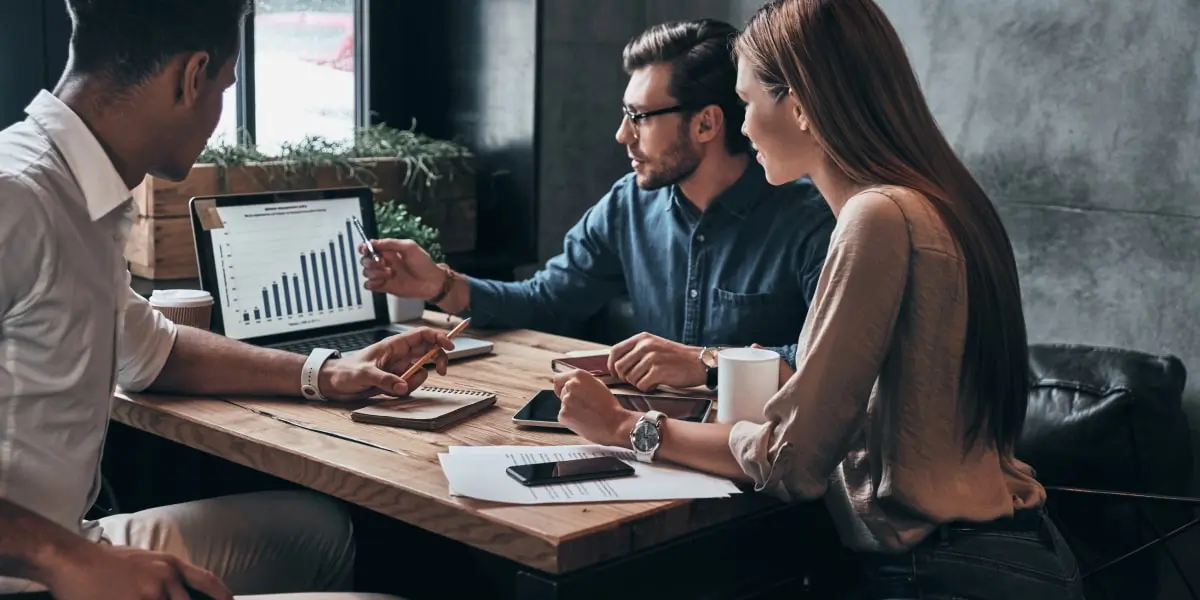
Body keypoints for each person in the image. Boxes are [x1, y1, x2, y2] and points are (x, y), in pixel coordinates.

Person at [550, 1, 1084, 598]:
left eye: (748, 102)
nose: (742, 126)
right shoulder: (940, 202)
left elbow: (791, 461)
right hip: (1007, 557)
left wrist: (624, 426)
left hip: (936, 575)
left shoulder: (876, 217)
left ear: (800, 106)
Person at [0, 1, 447, 599]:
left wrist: (328, 372)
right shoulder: (17, 198)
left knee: (320, 531)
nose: (219, 115)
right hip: (35, 573)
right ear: (191, 76)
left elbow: (152, 352)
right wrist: (64, 562)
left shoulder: (81, 193)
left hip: (69, 545)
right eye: (226, 86)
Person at [361, 19, 834, 392]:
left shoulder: (811, 222)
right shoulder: (628, 205)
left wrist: (706, 363)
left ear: (706, 125)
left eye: (639, 118)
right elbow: (547, 301)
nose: (622, 134)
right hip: (649, 442)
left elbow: (827, 365)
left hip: (760, 465)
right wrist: (440, 284)